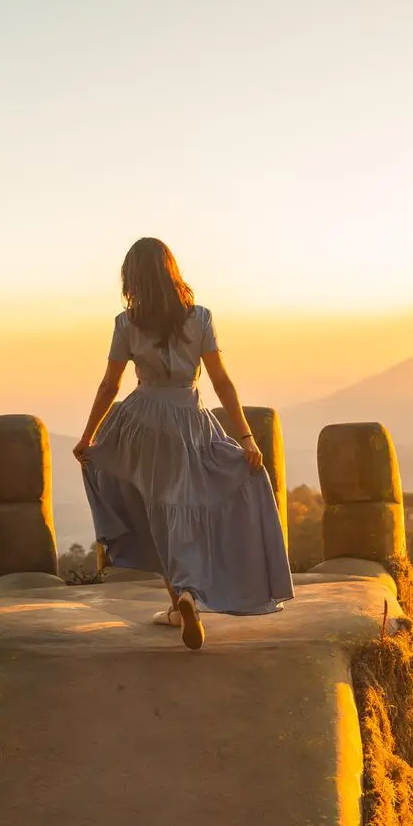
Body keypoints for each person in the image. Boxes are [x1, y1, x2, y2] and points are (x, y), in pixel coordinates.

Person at [72, 237, 294, 649]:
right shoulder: (200, 317)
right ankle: (187, 596)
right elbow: (221, 381)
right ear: (172, 271)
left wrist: (88, 437)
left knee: (158, 513)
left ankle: (181, 600)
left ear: (131, 278)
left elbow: (110, 385)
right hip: (191, 423)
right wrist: (245, 437)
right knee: (188, 506)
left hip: (139, 423)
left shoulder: (126, 323)